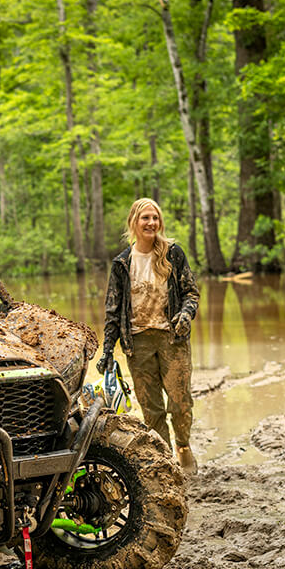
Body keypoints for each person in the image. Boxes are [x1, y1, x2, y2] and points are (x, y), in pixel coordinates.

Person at [99, 197, 199, 474]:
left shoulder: (173, 254)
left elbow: (191, 293)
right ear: (134, 222)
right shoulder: (122, 263)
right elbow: (112, 310)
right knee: (151, 409)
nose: (151, 223)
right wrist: (107, 351)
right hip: (138, 342)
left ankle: (182, 445)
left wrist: (185, 314)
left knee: (180, 403)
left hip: (172, 339)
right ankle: (167, 462)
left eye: (155, 218)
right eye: (145, 218)